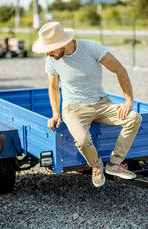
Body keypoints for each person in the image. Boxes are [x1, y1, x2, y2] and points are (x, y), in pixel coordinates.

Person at [32, 22, 142, 187]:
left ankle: (114, 164)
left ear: (63, 43)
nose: (47, 52)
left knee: (134, 117)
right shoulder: (52, 59)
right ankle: (96, 165)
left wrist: (129, 101)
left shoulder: (91, 48)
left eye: (51, 48)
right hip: (73, 108)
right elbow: (53, 88)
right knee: (82, 141)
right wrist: (56, 113)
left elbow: (120, 70)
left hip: (101, 102)